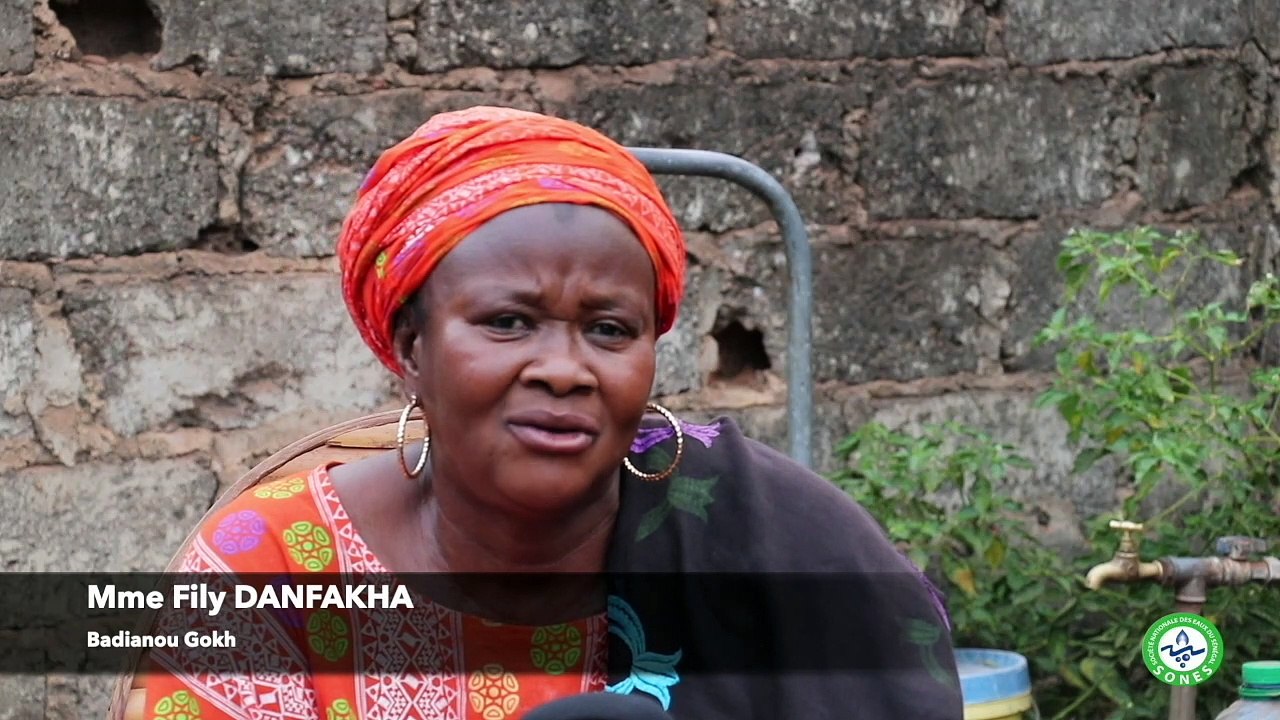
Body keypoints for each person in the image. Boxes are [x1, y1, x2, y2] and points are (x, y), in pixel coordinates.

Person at [130, 106, 963, 720]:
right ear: (411, 347)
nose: (565, 371)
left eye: (609, 330)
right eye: (507, 322)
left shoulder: (769, 542)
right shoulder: (269, 564)